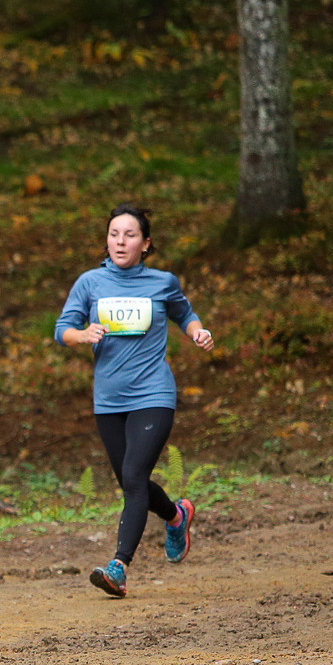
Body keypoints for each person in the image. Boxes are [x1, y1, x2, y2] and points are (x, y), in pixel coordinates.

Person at [54, 204, 215, 598]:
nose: (120, 241)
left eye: (129, 235)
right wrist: (83, 334)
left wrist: (197, 332)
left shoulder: (162, 282)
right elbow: (62, 330)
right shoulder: (90, 283)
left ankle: (118, 566)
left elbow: (185, 314)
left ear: (146, 244)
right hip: (109, 399)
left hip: (153, 393)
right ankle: (176, 516)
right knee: (133, 480)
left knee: (132, 477)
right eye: (113, 234)